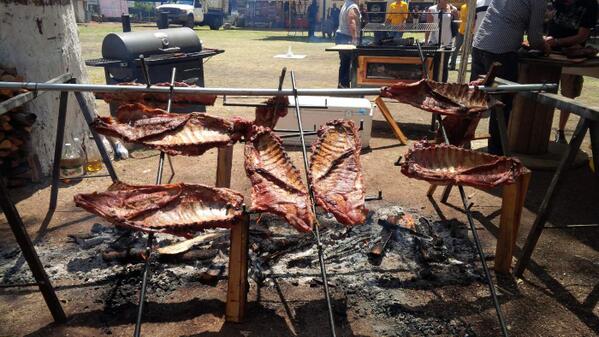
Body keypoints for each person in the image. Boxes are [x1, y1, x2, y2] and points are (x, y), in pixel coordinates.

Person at [471, 0, 549, 155]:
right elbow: (534, 38)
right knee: (501, 105)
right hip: (502, 52)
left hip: (480, 44)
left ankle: (459, 143)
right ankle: (496, 155)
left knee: (473, 100)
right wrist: (546, 45)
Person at [545, 0, 597, 143]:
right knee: (544, 92)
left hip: (573, 56)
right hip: (548, 54)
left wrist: (557, 42)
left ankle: (560, 131)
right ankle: (541, 130)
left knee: (568, 94)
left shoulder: (589, 4)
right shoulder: (554, 2)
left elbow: (582, 36)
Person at [426, 0, 459, 82]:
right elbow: (428, 27)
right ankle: (434, 85)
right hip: (435, 42)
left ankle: (443, 85)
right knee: (435, 66)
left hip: (447, 41)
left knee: (444, 66)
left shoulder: (453, 9)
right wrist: (426, 41)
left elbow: (457, 25)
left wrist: (455, 15)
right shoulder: (432, 9)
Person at [336, 0, 361, 88]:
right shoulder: (352, 6)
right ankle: (353, 87)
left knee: (344, 63)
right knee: (355, 63)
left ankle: (343, 86)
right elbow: (351, 21)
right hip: (347, 37)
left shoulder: (347, 4)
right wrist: (354, 38)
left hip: (341, 36)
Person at [449, 2, 468, 70]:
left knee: (470, 51)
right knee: (455, 49)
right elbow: (460, 19)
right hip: (460, 32)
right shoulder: (463, 7)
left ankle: (467, 67)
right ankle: (452, 65)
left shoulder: (475, 7)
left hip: (470, 33)